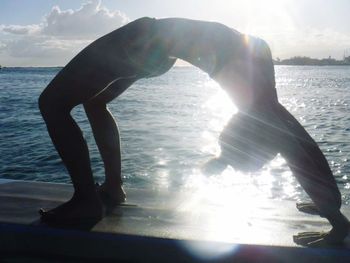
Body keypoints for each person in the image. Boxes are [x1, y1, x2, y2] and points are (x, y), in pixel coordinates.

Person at [38, 17, 348, 246]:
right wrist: (330, 209)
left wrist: (335, 218)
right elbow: (287, 138)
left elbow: (285, 139)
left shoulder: (242, 59)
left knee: (52, 103)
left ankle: (86, 199)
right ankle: (112, 188)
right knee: (94, 102)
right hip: (158, 44)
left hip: (146, 41)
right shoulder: (246, 58)